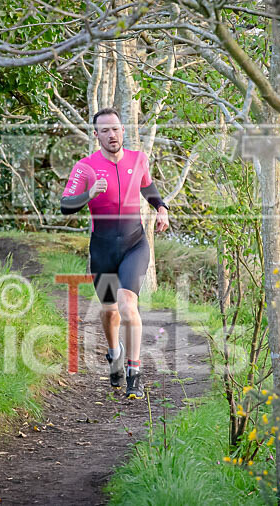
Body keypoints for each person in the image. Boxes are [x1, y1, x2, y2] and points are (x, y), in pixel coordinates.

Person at [60, 107, 169, 399]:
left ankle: (134, 373)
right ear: (96, 135)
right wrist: (90, 194)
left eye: (116, 129)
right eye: (105, 130)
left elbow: (148, 187)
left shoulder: (138, 159)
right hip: (103, 249)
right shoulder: (85, 167)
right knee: (110, 312)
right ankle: (114, 354)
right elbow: (65, 205)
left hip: (135, 244)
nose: (112, 134)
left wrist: (161, 208)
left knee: (128, 305)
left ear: (123, 131)